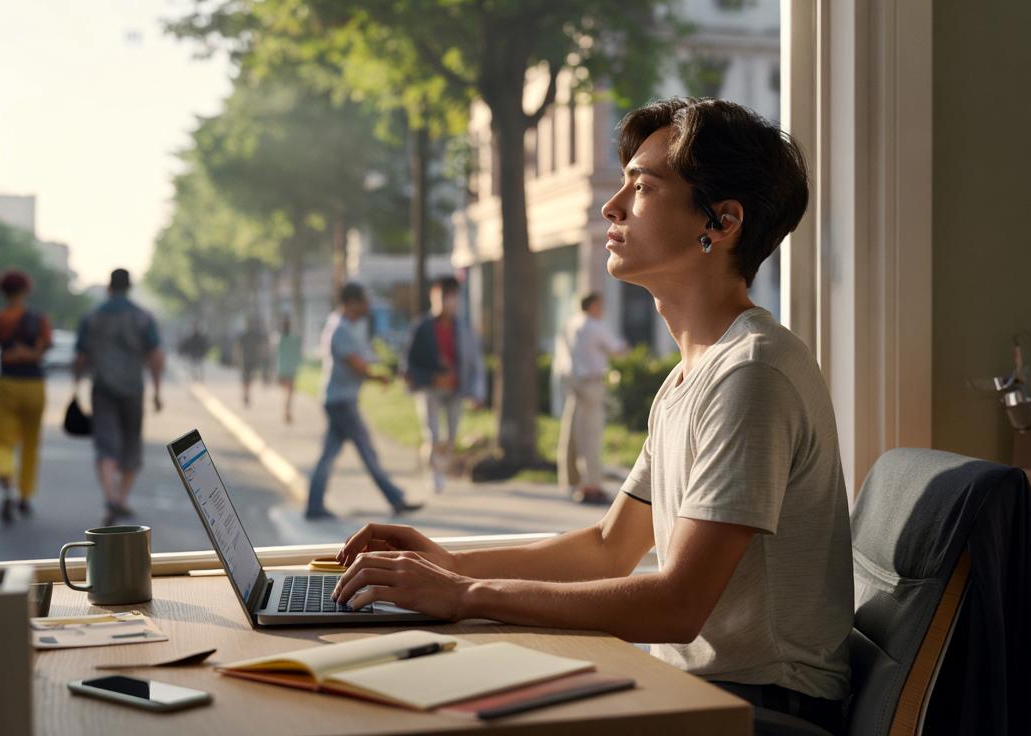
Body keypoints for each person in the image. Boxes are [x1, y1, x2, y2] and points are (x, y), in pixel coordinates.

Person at [329, 98, 852, 734]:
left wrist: (466, 597)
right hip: (696, 689)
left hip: (759, 709)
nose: (614, 205)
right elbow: (608, 550)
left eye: (644, 186)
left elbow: (676, 606)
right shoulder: (692, 376)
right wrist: (447, 567)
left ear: (722, 221)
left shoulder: (753, 374)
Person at [305, 283, 423, 521]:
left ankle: (314, 505)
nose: (368, 305)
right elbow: (357, 364)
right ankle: (395, 499)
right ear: (351, 303)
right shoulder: (340, 329)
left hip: (339, 399)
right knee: (367, 452)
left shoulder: (348, 326)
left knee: (328, 455)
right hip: (341, 402)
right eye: (364, 301)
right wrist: (378, 376)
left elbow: (366, 356)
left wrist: (385, 367)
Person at [74, 268, 165, 526]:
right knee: (131, 445)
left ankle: (110, 497)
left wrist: (77, 383)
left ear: (108, 287)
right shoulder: (143, 317)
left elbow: (80, 358)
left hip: (102, 388)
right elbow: (156, 356)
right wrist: (157, 391)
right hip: (133, 390)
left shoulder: (92, 318)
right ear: (130, 287)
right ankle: (122, 498)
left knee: (105, 446)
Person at [403, 276, 486, 493]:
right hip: (430, 388)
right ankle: (434, 472)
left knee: (451, 436)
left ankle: (440, 466)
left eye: (452, 297)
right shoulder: (422, 327)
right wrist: (430, 376)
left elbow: (475, 361)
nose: (448, 302)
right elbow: (409, 361)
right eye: (444, 297)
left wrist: (477, 392)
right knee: (432, 434)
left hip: (456, 388)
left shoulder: (464, 328)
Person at [0, 269, 52, 523]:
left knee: (4, 441)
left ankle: (5, 482)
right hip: (34, 385)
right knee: (31, 443)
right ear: (25, 290)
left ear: (3, 291)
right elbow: (44, 349)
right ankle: (25, 495)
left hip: (6, 385)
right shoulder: (39, 319)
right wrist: (29, 353)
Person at [556, 292, 626, 504]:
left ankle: (572, 481)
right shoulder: (595, 327)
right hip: (592, 384)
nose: (603, 309)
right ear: (593, 305)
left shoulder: (571, 324)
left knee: (572, 435)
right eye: (601, 305)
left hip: (574, 384)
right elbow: (617, 349)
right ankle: (591, 486)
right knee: (592, 437)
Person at [238, 318, 269, 408]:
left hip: (247, 360)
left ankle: (246, 393)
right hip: (249, 360)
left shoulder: (250, 335)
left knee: (247, 379)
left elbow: (238, 348)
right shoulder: (248, 335)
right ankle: (246, 394)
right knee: (247, 379)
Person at [277, 314, 302, 423]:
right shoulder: (294, 339)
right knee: (289, 393)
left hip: (282, 369)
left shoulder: (279, 339)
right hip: (291, 369)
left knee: (285, 392)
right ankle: (287, 411)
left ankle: (286, 411)